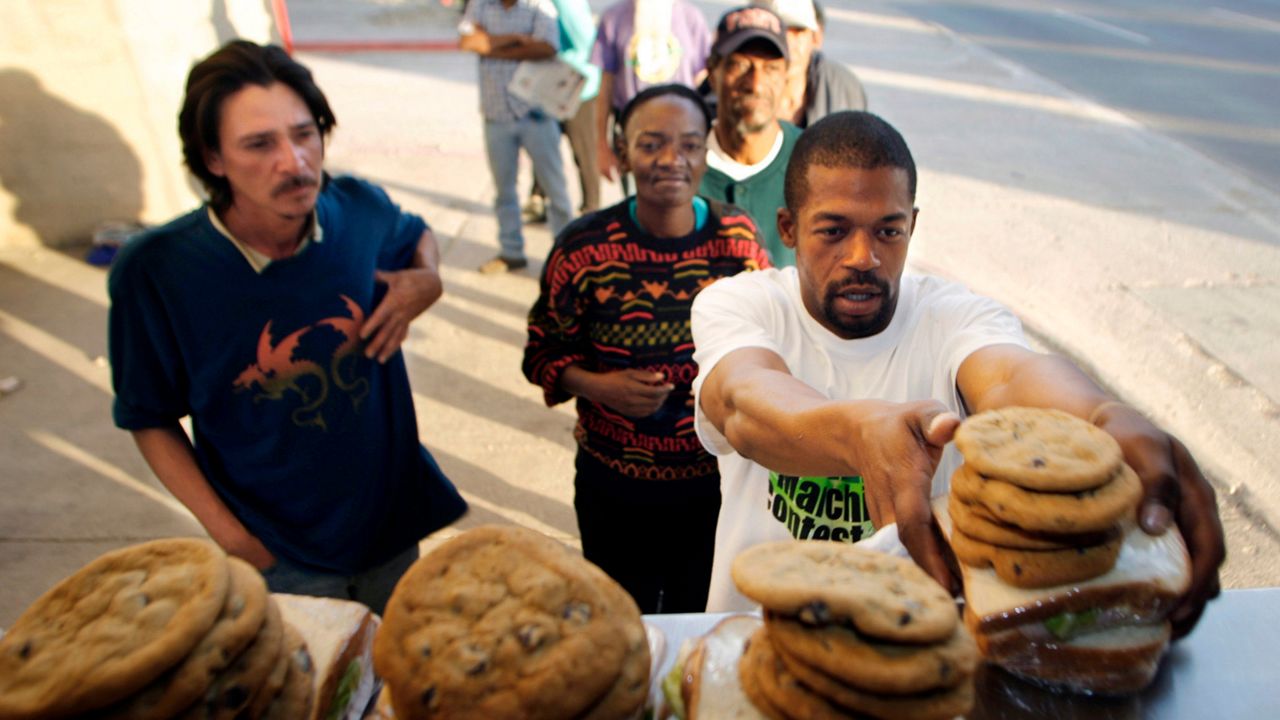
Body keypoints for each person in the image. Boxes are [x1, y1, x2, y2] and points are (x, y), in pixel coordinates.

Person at [691, 111, 1225, 637]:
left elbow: (1010, 379)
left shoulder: (954, 315)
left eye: (888, 231)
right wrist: (856, 432)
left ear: (912, 227)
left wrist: (1103, 418)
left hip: (923, 651)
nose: (864, 257)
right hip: (754, 645)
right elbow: (743, 400)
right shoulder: (741, 305)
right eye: (833, 230)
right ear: (789, 227)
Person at [107, 41, 468, 615]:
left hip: (391, 527)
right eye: (260, 144)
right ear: (213, 159)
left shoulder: (357, 208)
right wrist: (235, 540)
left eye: (305, 134)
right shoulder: (157, 272)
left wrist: (427, 277)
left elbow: (413, 230)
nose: (295, 163)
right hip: (279, 552)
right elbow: (148, 418)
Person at [523, 84, 772, 613]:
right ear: (621, 150)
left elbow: (771, 346)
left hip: (714, 488)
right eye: (651, 144)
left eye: (688, 144)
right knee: (621, 629)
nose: (670, 160)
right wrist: (599, 387)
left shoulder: (739, 242)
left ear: (707, 152)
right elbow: (540, 352)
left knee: (698, 624)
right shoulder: (582, 249)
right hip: (613, 487)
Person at [459, 0, 574, 274]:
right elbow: (468, 42)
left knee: (556, 191)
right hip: (496, 114)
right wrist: (514, 40)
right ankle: (511, 251)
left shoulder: (538, 5)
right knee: (504, 192)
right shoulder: (480, 5)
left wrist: (491, 45)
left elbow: (547, 47)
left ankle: (567, 256)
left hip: (536, 114)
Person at [697, 5, 801, 268]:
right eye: (741, 65)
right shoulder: (682, 165)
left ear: (787, 75)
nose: (755, 84)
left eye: (771, 69)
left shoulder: (813, 162)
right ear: (712, 71)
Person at [592, 0, 712, 189]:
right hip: (637, 137)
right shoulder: (614, 19)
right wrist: (601, 145)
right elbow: (605, 88)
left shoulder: (690, 18)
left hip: (682, 135)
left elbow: (704, 82)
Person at [523, 0, 601, 222]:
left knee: (584, 151)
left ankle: (591, 209)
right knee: (544, 145)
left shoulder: (566, 3)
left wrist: (554, 58)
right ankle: (538, 197)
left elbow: (586, 42)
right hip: (555, 84)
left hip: (575, 87)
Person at [751, 0, 866, 127]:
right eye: (778, 32)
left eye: (798, 32)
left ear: (816, 37)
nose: (789, 44)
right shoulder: (735, 88)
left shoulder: (844, 89)